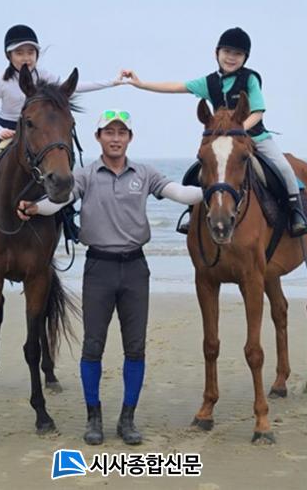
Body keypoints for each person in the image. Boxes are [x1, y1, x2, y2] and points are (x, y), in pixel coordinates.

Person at [17, 110, 203, 445]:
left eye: (121, 132)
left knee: (135, 347)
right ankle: (94, 418)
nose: (115, 138)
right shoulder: (85, 175)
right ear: (98, 137)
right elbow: (58, 201)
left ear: (129, 138)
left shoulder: (145, 173)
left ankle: (127, 419)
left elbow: (180, 193)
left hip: (135, 269)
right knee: (93, 346)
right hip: (98, 269)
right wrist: (34, 207)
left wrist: (217, 188)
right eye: (109, 132)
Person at [0, 24, 122, 239]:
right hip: (7, 129)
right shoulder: (0, 81)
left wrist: (113, 82)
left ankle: (68, 220)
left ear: (37, 55)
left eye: (30, 52)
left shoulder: (45, 75)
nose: (26, 58)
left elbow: (75, 87)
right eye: (19, 53)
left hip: (37, 131)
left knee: (62, 169)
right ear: (9, 55)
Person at [122, 27, 307, 237]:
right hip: (220, 142)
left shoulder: (250, 79)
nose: (231, 57)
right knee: (195, 173)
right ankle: (192, 213)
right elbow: (176, 86)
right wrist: (141, 84)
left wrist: (238, 131)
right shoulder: (209, 82)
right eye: (227, 51)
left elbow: (258, 112)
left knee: (283, 168)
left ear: (245, 58)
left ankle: (295, 211)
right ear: (217, 53)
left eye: (238, 53)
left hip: (255, 137)